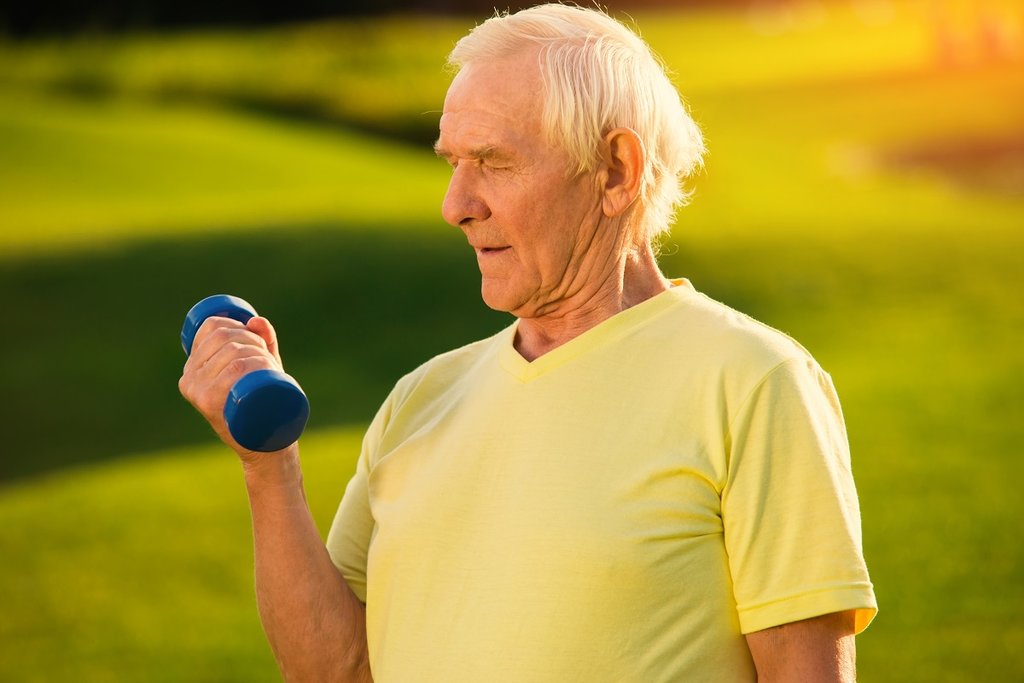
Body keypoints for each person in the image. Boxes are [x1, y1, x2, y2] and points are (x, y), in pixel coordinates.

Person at [179, 4, 877, 681]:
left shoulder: (754, 380)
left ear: (615, 172)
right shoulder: (420, 400)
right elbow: (335, 672)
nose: (456, 205)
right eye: (452, 161)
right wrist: (268, 468)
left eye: (493, 161)